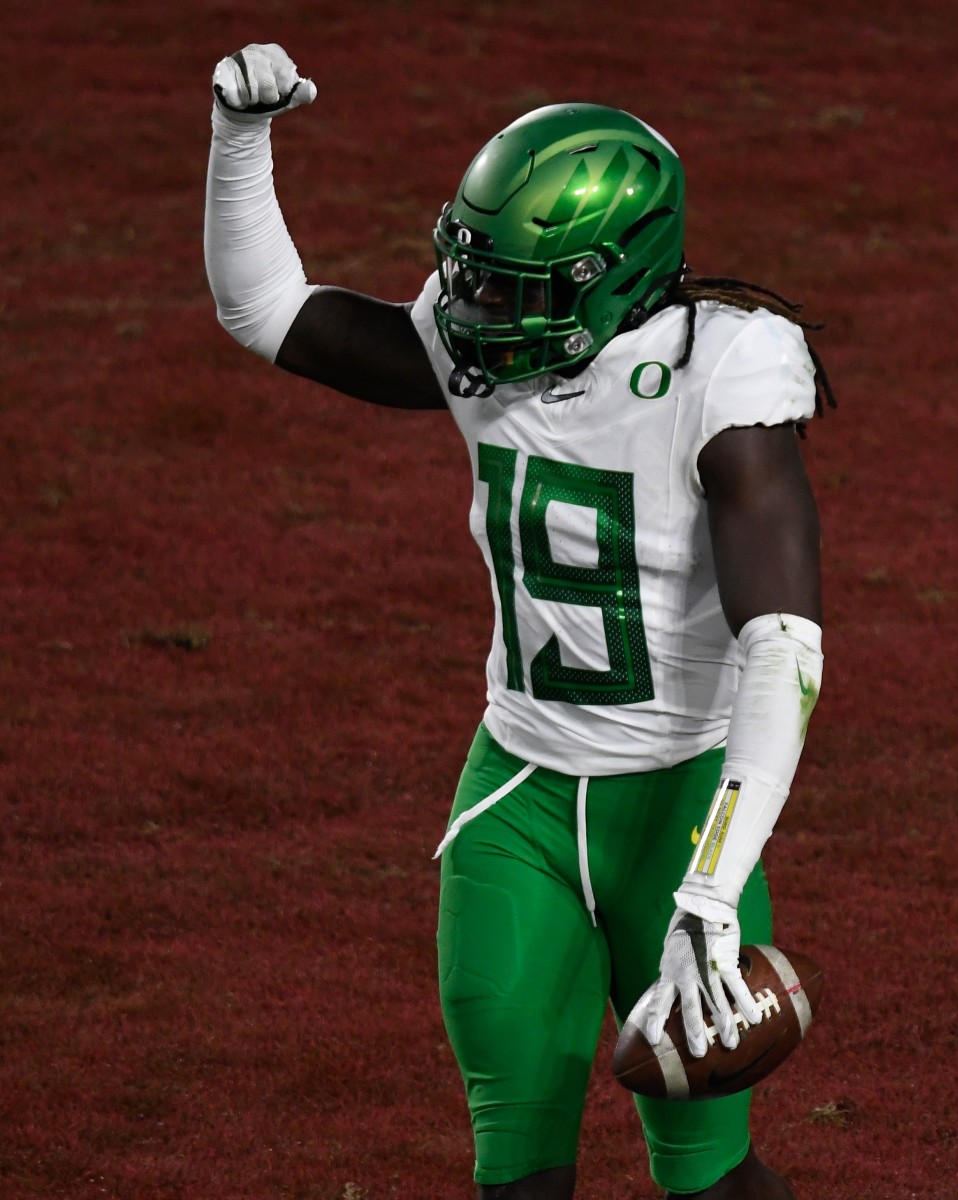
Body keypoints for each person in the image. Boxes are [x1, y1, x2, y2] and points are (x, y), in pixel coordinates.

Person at [205, 43, 834, 1200]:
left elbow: (782, 649)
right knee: (515, 1170)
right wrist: (240, 141)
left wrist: (710, 884)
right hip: (519, 796)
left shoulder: (723, 376)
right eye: (473, 273)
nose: (473, 310)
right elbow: (268, 312)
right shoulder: (485, 346)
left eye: (511, 286)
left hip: (682, 804)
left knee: (705, 1177)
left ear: (612, 277)